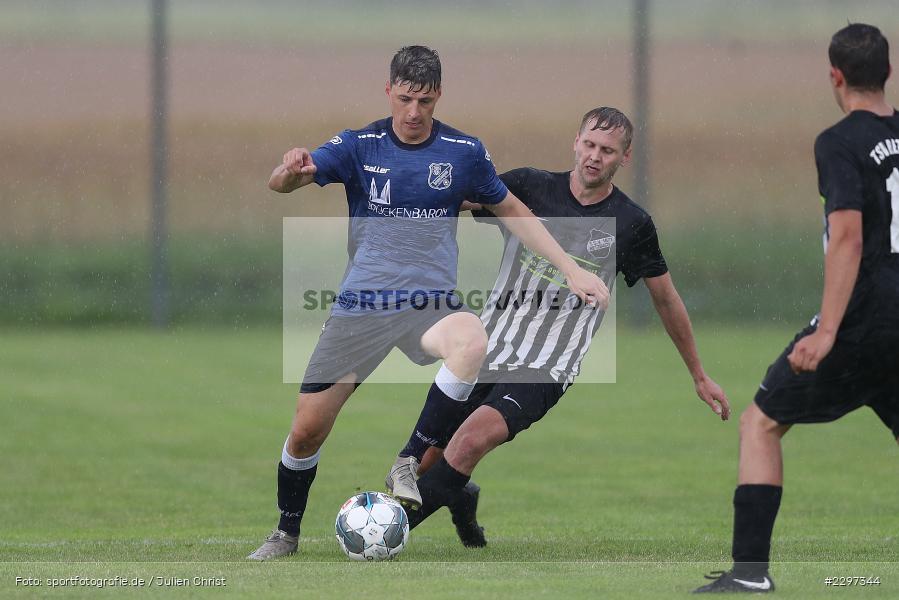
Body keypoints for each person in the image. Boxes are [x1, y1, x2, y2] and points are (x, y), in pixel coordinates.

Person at [248, 45, 608, 560]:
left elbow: (514, 210)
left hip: (427, 301)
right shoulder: (359, 144)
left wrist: (571, 270)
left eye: (424, 100)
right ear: (388, 91)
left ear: (438, 95)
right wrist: (289, 170)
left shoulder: (464, 151)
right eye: (405, 98)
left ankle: (410, 459)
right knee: (306, 431)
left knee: (471, 339)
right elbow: (282, 184)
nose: (413, 112)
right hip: (362, 304)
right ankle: (286, 532)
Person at [383, 107, 731, 546]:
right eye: (589, 144)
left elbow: (666, 297)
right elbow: (461, 197)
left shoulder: (632, 224)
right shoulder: (530, 186)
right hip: (486, 348)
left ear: (624, 158)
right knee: (431, 459)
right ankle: (460, 496)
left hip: (547, 365)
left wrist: (698, 374)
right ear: (575, 141)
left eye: (607, 151)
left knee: (469, 441)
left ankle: (382, 531)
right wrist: (408, 185)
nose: (594, 156)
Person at [693, 23, 899, 593]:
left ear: (835, 76)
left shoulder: (839, 142)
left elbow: (849, 238)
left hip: (863, 320)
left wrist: (828, 330)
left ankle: (751, 575)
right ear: (889, 71)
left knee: (761, 421)